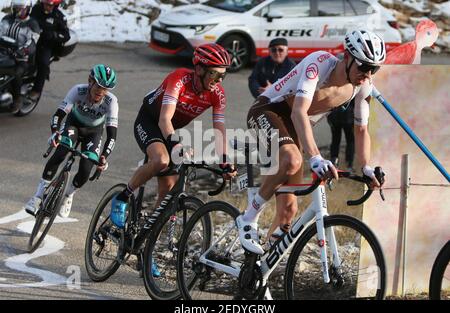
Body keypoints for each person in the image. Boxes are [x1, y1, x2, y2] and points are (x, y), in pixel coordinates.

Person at [240, 29, 386, 255]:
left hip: (291, 128)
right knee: (292, 159)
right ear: (347, 57)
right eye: (364, 66)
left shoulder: (362, 85)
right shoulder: (319, 63)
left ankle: (256, 269)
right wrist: (316, 156)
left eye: (374, 68)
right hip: (268, 110)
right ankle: (248, 217)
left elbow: (361, 129)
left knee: (288, 210)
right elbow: (299, 111)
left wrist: (365, 166)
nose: (368, 74)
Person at [108, 43, 237, 231]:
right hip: (151, 121)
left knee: (167, 193)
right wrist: (176, 145)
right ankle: (122, 197)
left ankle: (146, 245)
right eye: (214, 74)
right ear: (199, 68)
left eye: (222, 76)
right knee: (161, 160)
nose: (218, 80)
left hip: (170, 130)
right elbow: (164, 119)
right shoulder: (179, 79)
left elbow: (219, 130)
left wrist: (225, 161)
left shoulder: (217, 94)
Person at [25, 64, 118, 218]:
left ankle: (68, 195)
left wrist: (104, 157)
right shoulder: (78, 90)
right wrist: (55, 133)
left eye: (105, 89)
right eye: (98, 87)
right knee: (61, 151)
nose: (101, 92)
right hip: (74, 124)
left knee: (86, 169)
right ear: (90, 81)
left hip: (94, 132)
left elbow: (112, 134)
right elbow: (59, 114)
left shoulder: (111, 102)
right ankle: (37, 196)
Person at [0, 0, 40, 113]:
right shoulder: (7, 19)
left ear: (28, 9)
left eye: (22, 8)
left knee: (15, 74)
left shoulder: (32, 24)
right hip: (4, 53)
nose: (19, 11)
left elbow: (32, 42)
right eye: (17, 8)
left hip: (22, 58)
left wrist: (22, 51)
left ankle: (16, 99)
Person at [29, 0, 70, 101]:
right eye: (45, 4)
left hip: (45, 45)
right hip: (29, 40)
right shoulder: (35, 9)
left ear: (55, 5)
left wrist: (53, 35)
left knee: (43, 63)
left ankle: (36, 90)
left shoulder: (59, 16)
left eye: (50, 5)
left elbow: (66, 35)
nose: (47, 7)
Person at [327, 99, 355, 171]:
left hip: (335, 116)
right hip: (348, 116)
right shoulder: (351, 88)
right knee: (350, 140)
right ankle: (349, 164)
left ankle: (334, 162)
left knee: (336, 140)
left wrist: (329, 117)